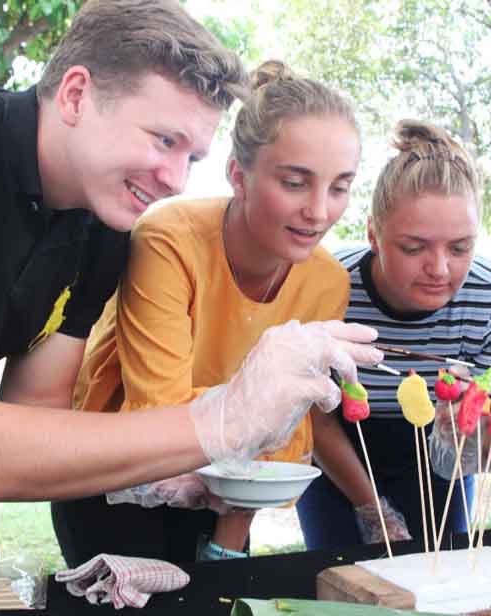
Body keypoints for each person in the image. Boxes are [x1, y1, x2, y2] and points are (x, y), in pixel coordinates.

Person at [0, 0, 382, 595]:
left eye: (191, 156)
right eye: (163, 140)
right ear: (75, 94)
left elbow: (35, 416)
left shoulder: (103, 230)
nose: (176, 178)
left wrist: (172, 473)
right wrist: (222, 421)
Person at [53, 60, 362, 566]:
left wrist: (228, 541)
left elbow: (281, 431)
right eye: (295, 183)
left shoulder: (328, 281)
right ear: (239, 174)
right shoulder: (168, 241)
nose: (320, 211)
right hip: (113, 480)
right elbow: (161, 406)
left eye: (340, 187)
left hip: (231, 495)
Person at [296, 120, 491, 550]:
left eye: (459, 248)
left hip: (442, 462)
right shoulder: (327, 287)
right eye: (413, 248)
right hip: (336, 455)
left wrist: (468, 433)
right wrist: (370, 507)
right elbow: (315, 416)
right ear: (373, 235)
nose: (439, 269)